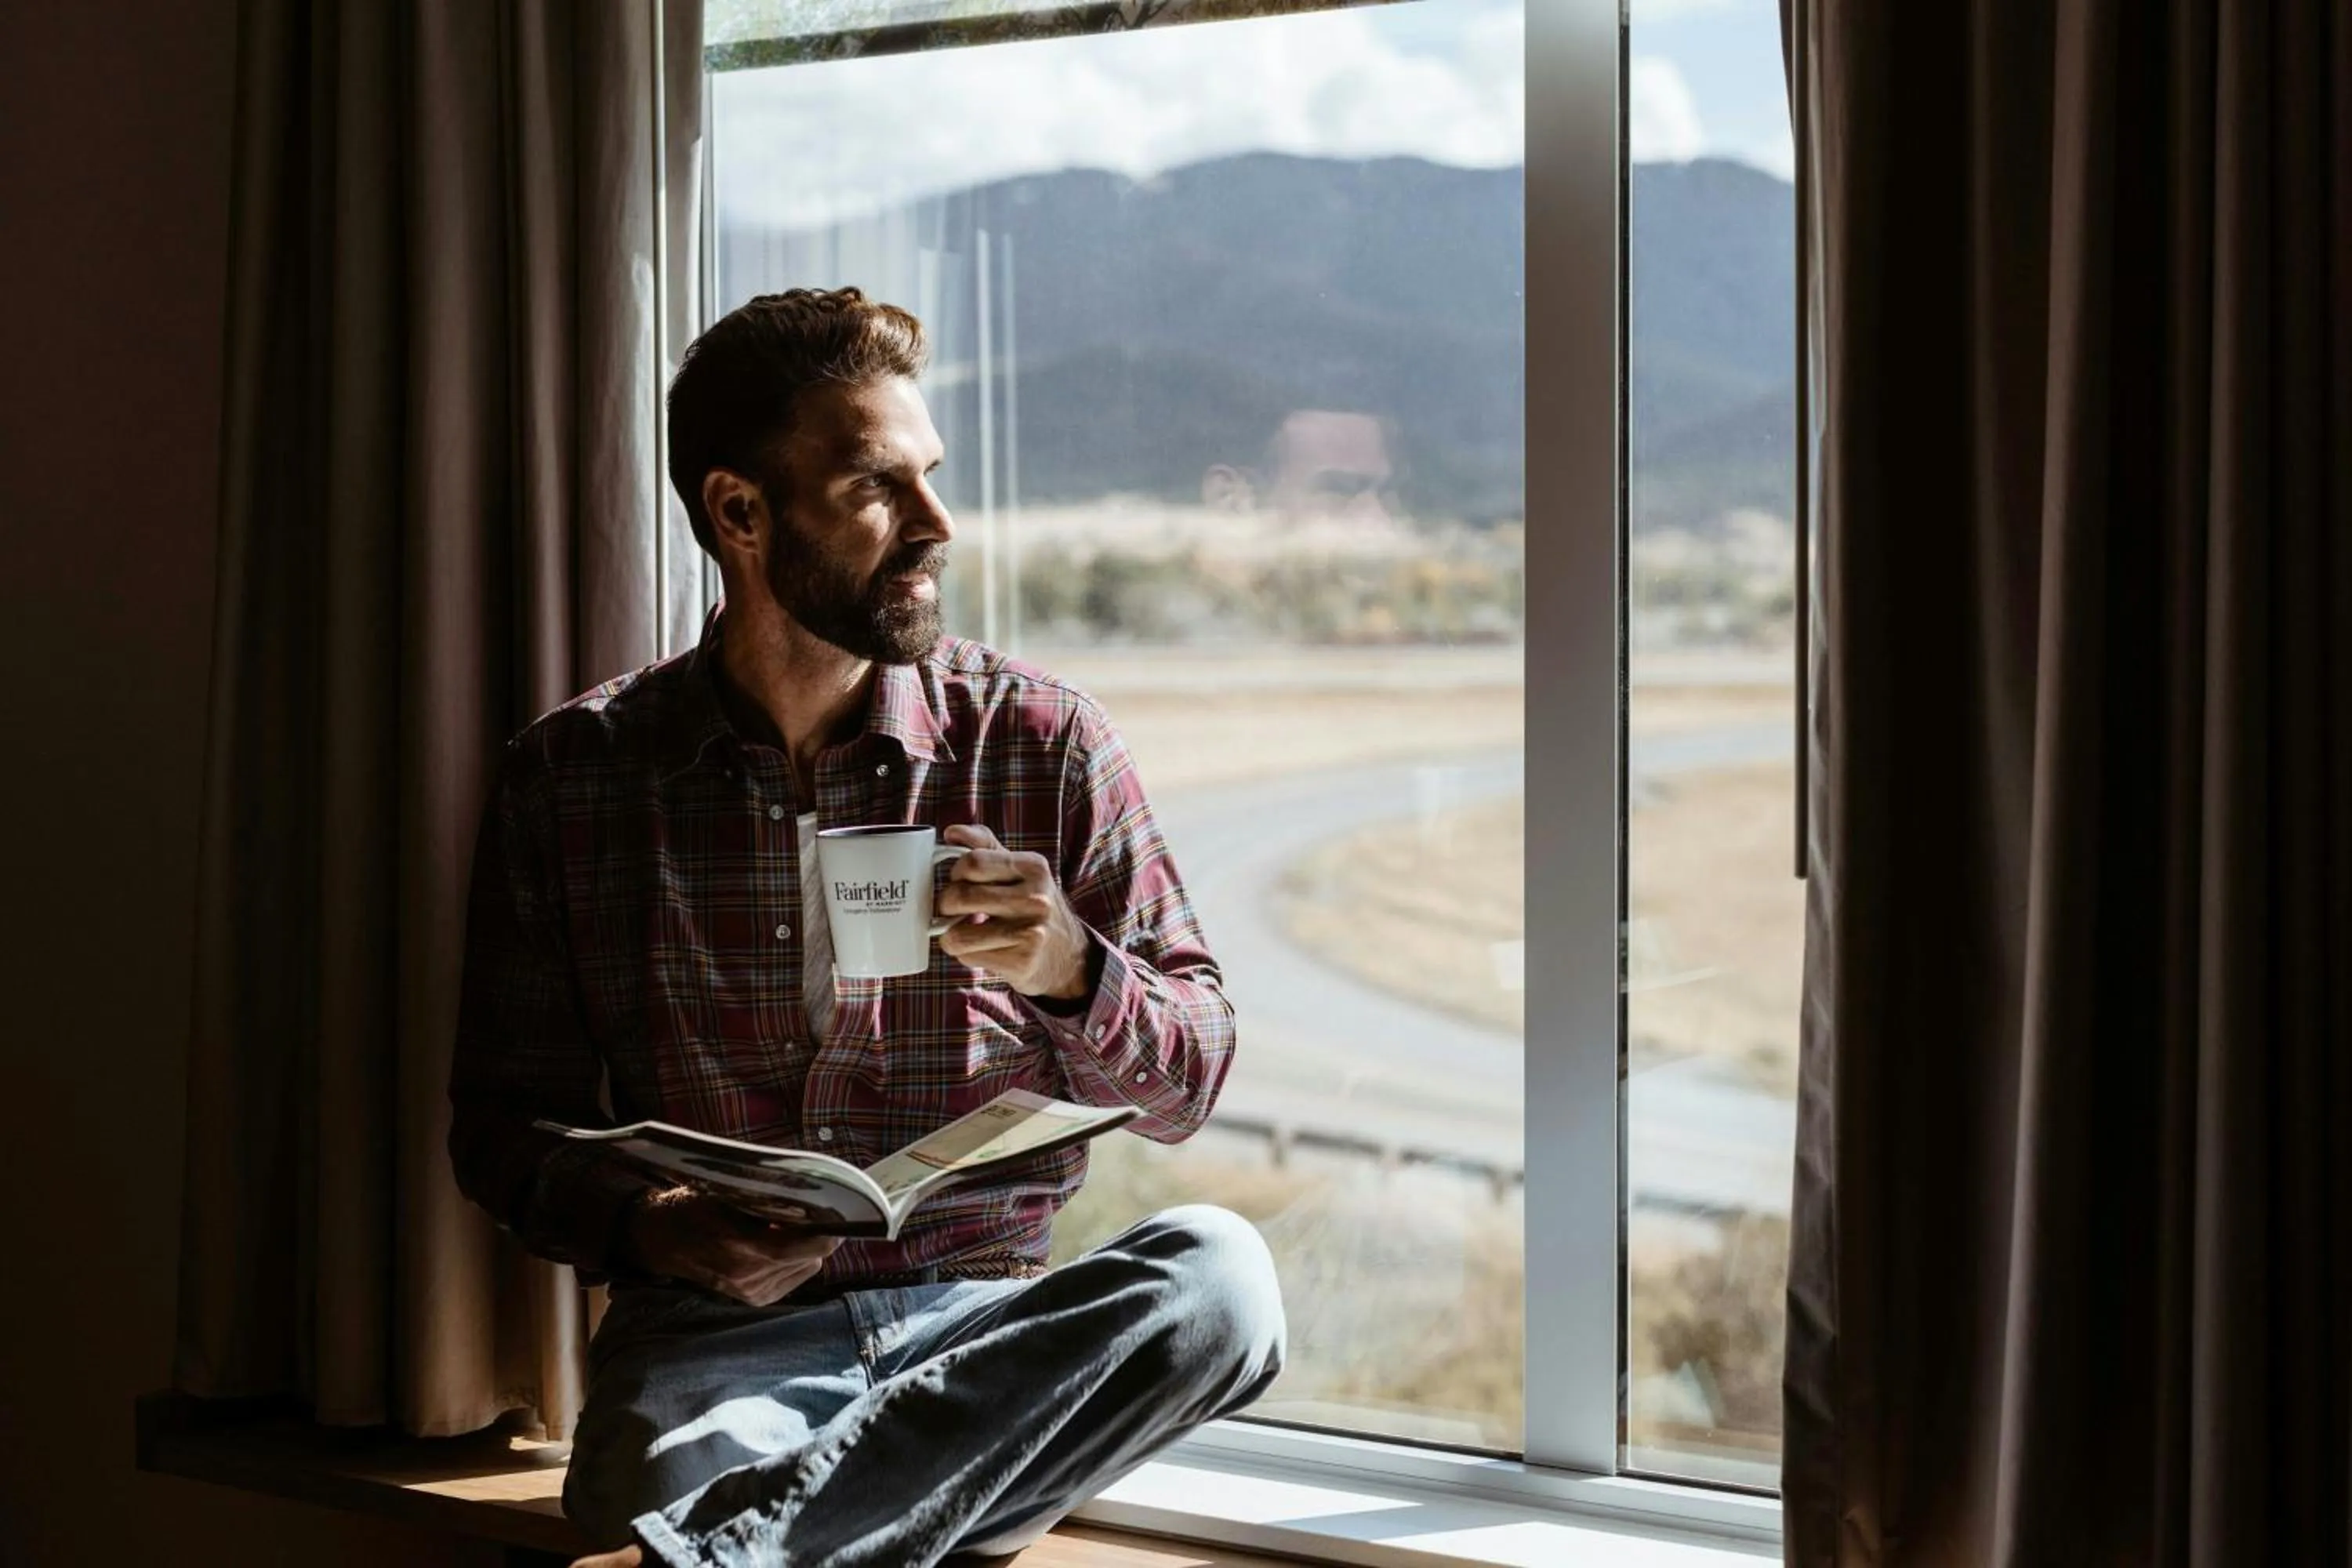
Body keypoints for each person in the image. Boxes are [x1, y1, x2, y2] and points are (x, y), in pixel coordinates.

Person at [447, 288, 1285, 1568]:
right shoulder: (577, 781)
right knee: (656, 1483)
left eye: (930, 476)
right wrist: (655, 1224)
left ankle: (730, 1555)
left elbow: (1195, 1079)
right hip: (717, 1343)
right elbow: (505, 1129)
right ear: (740, 513)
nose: (937, 523)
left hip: (989, 1331)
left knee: (1221, 1279)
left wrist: (1071, 968)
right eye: (876, 488)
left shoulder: (1041, 742)